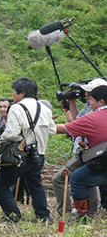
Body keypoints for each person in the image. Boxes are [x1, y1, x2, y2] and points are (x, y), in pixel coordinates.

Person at [0, 77, 56, 223]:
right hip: (39, 154)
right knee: (35, 185)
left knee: (1, 185)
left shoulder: (16, 108)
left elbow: (12, 133)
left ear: (22, 93)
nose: (13, 96)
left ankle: (13, 216)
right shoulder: (44, 108)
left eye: (14, 92)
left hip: (19, 155)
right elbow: (52, 130)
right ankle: (44, 216)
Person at [52, 78, 107, 216]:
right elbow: (77, 121)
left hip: (96, 156)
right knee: (88, 178)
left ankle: (82, 215)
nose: (87, 97)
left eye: (90, 95)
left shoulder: (95, 116)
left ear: (101, 101)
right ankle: (92, 212)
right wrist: (71, 103)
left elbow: (67, 127)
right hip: (95, 156)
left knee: (75, 179)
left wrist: (42, 125)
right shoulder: (91, 110)